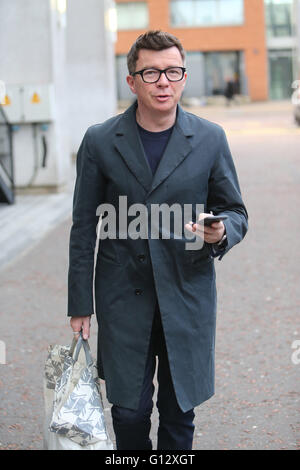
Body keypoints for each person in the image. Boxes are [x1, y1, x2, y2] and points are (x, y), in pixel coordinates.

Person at [67, 30, 248, 450]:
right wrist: (80, 303)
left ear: (184, 77)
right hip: (122, 295)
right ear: (132, 81)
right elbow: (82, 228)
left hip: (186, 292)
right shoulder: (99, 141)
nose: (163, 81)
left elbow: (235, 211)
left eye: (172, 71)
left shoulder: (209, 138)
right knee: (128, 412)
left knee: (179, 411)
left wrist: (221, 231)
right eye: (151, 73)